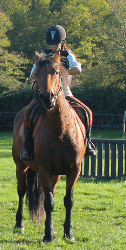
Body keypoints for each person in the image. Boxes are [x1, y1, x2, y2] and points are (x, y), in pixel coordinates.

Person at [20, 24, 97, 161]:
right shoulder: (43, 55)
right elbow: (32, 74)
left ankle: (87, 143)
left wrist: (61, 69)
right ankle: (27, 146)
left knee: (87, 112)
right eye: (51, 43)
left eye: (56, 43)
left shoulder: (68, 55)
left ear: (62, 41)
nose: (53, 46)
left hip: (65, 94)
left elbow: (78, 69)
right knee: (28, 113)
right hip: (44, 95)